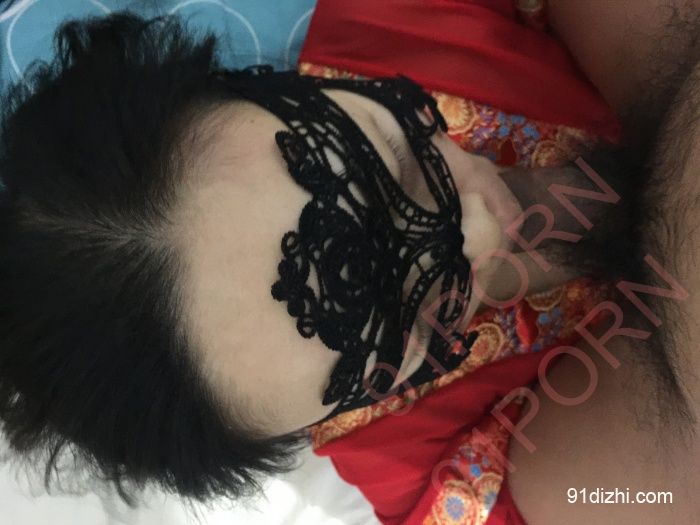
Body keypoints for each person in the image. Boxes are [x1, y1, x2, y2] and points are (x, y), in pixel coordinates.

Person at [0, 1, 695, 524]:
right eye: (402, 326)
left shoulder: (402, 20)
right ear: (299, 427)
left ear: (269, 83)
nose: (484, 232)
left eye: (396, 161)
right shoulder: (450, 477)